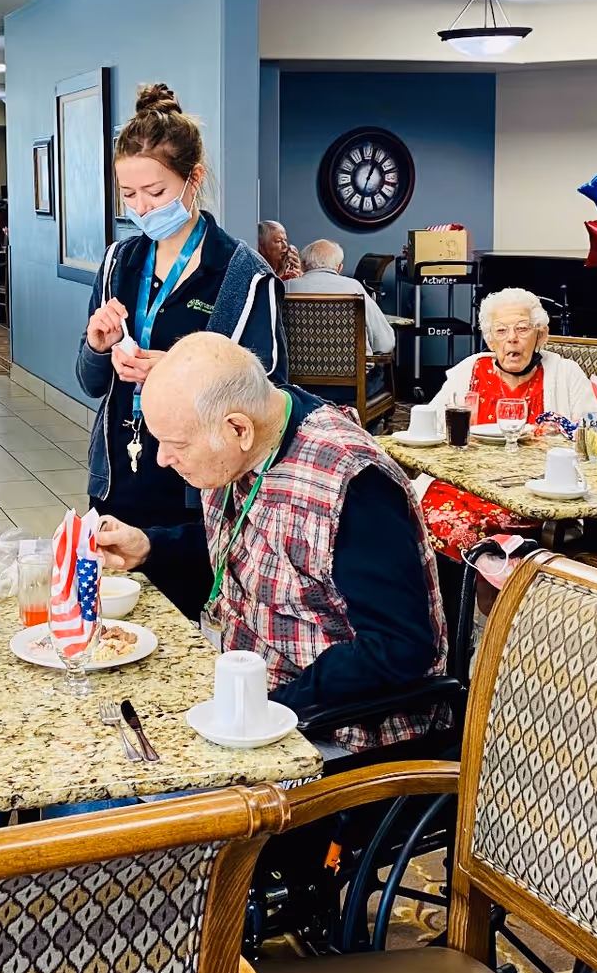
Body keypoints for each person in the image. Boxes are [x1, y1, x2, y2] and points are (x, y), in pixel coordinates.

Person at [95, 333, 446, 764]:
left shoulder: (352, 484)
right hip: (243, 683)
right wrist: (150, 547)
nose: (163, 460)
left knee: (131, 792)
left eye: (177, 444)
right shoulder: (249, 440)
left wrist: (268, 707)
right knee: (103, 733)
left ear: (238, 429)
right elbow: (252, 552)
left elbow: (399, 648)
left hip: (333, 726)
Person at [79, 84, 284, 594]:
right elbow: (89, 382)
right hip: (118, 480)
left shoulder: (244, 276)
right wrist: (98, 346)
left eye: (157, 193)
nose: (143, 209)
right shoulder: (118, 262)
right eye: (129, 195)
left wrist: (182, 373)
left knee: (186, 641)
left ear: (193, 180)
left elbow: (268, 397)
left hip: (197, 493)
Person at [417, 287, 597, 561]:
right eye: (501, 331)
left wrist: (561, 435)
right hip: (466, 484)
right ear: (490, 341)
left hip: (531, 493)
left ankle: (490, 590)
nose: (512, 339)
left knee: (464, 529)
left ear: (541, 335)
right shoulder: (469, 370)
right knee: (423, 516)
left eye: (522, 329)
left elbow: (595, 434)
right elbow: (431, 424)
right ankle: (469, 593)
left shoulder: (565, 373)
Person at [286, 238, 396, 356]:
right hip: (355, 373)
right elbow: (385, 343)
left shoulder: (285, 287)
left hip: (296, 372)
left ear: (302, 265)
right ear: (339, 268)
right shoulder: (354, 288)